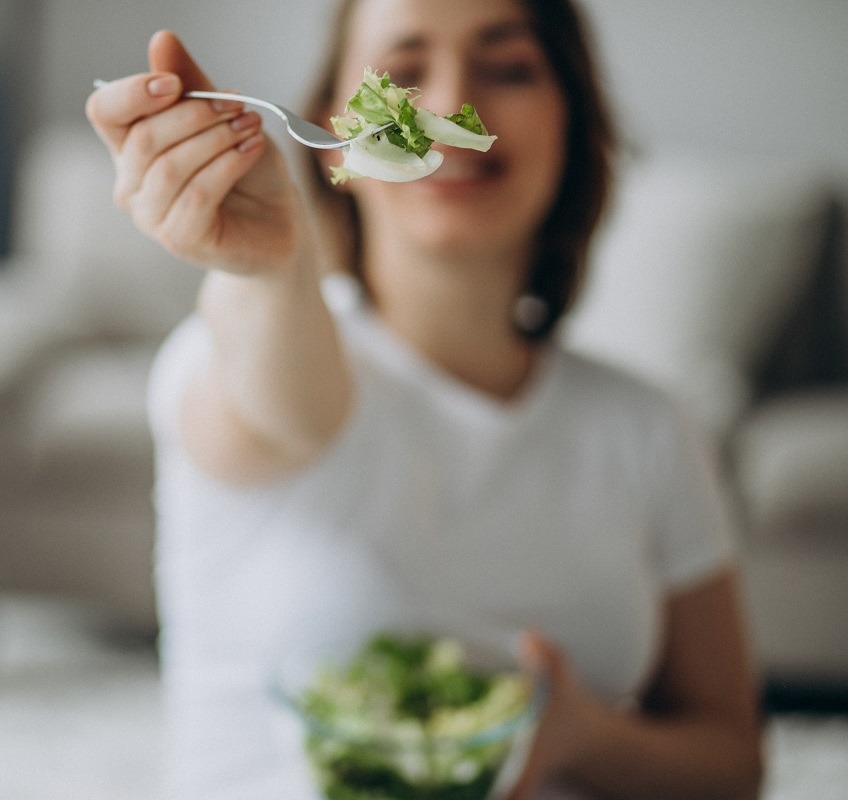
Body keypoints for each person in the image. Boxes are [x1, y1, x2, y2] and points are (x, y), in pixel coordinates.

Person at [86, 1, 763, 798]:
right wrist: (272, 267)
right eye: (404, 71)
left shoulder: (648, 427)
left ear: (573, 120)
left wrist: (580, 734)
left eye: (508, 69)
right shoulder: (237, 352)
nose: (444, 109)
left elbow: (731, 764)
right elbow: (291, 404)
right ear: (336, 122)